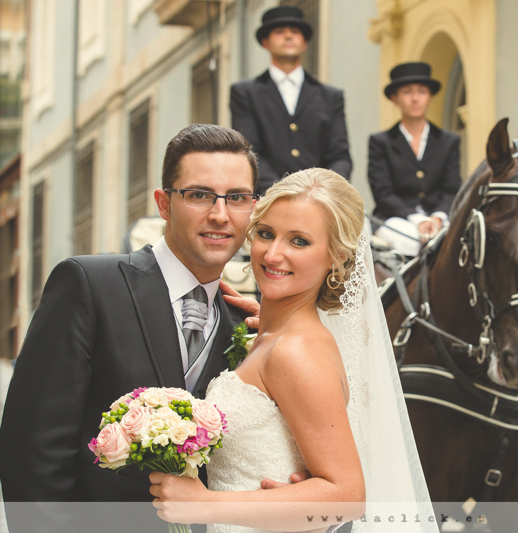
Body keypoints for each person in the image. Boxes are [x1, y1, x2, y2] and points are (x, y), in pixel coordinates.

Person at [0, 125, 259, 529]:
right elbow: (31, 448)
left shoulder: (245, 327)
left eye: (237, 198)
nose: (220, 214)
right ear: (164, 203)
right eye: (199, 195)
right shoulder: (89, 284)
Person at [149, 169, 434, 533]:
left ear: (336, 256)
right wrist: (264, 326)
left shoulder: (295, 351)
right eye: (266, 234)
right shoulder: (276, 339)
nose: (273, 253)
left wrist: (204, 503)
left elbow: (347, 496)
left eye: (299, 242)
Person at [231, 5, 352, 194]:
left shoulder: (331, 96)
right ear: (265, 42)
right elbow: (249, 152)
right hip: (267, 196)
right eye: (279, 32)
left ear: (305, 42)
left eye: (295, 32)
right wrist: (283, 192)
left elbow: (339, 154)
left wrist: (325, 190)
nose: (288, 36)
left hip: (322, 198)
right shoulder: (245, 93)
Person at [368, 62, 461, 256]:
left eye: (422, 91)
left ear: (430, 96)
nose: (415, 99)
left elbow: (452, 189)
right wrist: (418, 220)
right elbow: (383, 193)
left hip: (439, 219)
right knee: (411, 243)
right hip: (396, 219)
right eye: (407, 92)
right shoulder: (381, 142)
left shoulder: (448, 141)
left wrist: (436, 218)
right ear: (395, 98)